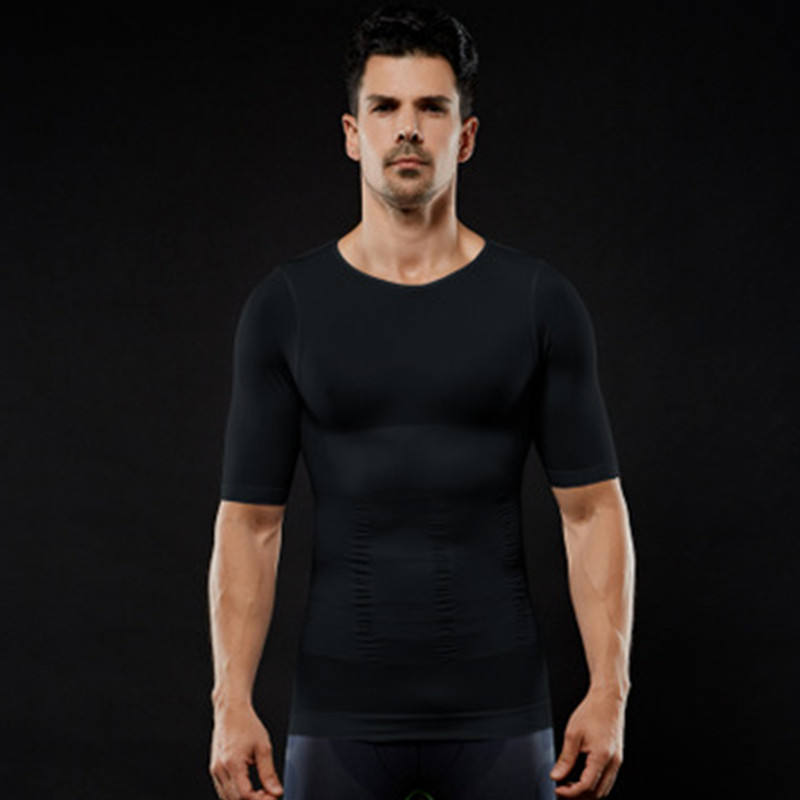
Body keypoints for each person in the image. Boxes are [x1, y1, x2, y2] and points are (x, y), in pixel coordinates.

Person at [208, 4, 634, 799]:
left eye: (432, 107)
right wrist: (230, 701)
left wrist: (611, 689)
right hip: (338, 715)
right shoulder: (286, 306)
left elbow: (591, 511)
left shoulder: (538, 302)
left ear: (465, 137)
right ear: (352, 133)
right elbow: (251, 522)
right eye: (386, 107)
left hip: (502, 713)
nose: (408, 128)